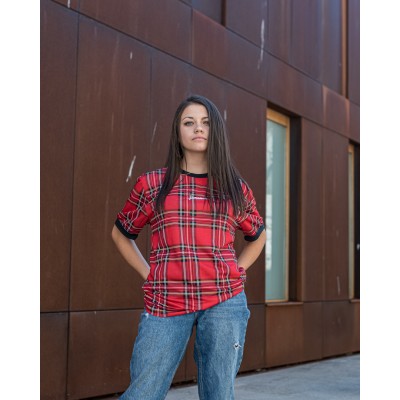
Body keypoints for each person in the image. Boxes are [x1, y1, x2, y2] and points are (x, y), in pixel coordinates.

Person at [111, 95, 266, 400]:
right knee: (143, 392)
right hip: (166, 299)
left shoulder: (234, 187)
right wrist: (149, 274)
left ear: (215, 131)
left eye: (206, 122)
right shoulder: (152, 184)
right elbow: (121, 234)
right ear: (177, 131)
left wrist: (237, 269)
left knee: (219, 394)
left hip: (224, 300)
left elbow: (258, 236)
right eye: (189, 122)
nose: (198, 128)